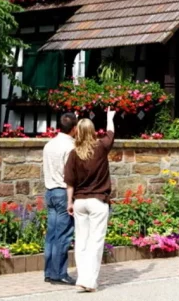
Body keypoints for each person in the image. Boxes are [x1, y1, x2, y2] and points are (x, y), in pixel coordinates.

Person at [65, 110, 115, 293]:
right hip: (97, 201)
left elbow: (69, 182)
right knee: (96, 242)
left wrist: (69, 202)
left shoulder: (73, 154)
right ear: (93, 131)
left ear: (77, 132)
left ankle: (82, 277)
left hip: (79, 202)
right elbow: (111, 133)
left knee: (81, 242)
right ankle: (89, 280)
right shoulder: (100, 148)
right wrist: (110, 117)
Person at [42, 112, 78, 285]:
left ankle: (49, 272)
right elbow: (71, 174)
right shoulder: (70, 147)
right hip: (64, 193)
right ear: (74, 128)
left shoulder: (49, 144)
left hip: (50, 191)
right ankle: (60, 274)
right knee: (63, 235)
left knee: (52, 234)